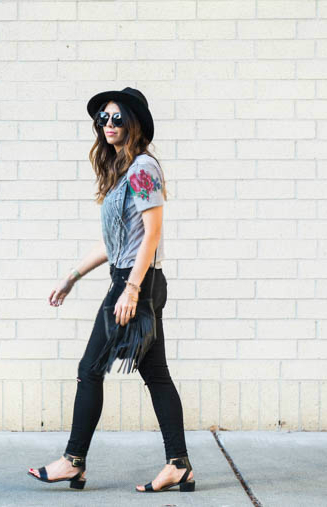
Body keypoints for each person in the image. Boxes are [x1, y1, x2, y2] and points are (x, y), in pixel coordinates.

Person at [26, 87, 195, 493]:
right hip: (133, 280)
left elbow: (152, 233)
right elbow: (117, 242)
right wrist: (73, 276)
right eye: (104, 118)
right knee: (156, 374)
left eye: (118, 118)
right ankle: (179, 465)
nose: (109, 125)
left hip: (136, 284)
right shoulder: (124, 172)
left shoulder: (142, 169)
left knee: (90, 370)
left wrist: (132, 288)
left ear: (134, 124)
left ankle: (73, 461)